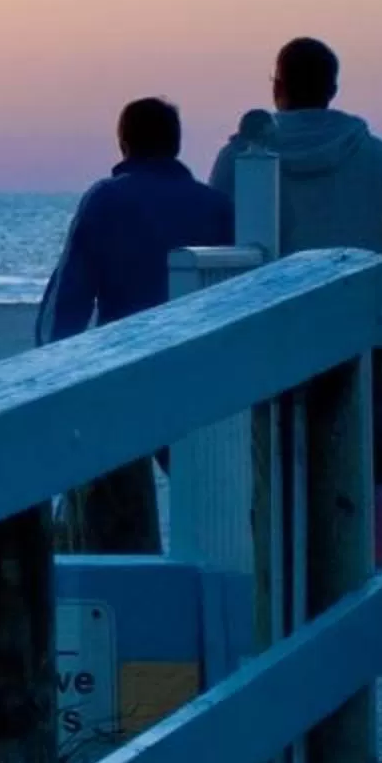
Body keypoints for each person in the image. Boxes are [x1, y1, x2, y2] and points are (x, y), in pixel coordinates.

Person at [209, 36, 382, 565]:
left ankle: (277, 578)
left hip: (265, 335)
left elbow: (215, 238)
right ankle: (368, 574)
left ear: (277, 87)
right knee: (368, 464)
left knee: (269, 464)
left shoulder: (242, 156)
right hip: (354, 333)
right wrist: (372, 287)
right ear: (333, 89)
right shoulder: (373, 155)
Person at [38, 98, 235, 552]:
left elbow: (68, 299)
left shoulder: (106, 199)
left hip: (124, 375)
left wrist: (53, 367)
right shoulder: (216, 207)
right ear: (176, 144)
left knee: (114, 520)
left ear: (123, 143)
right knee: (209, 504)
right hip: (199, 377)